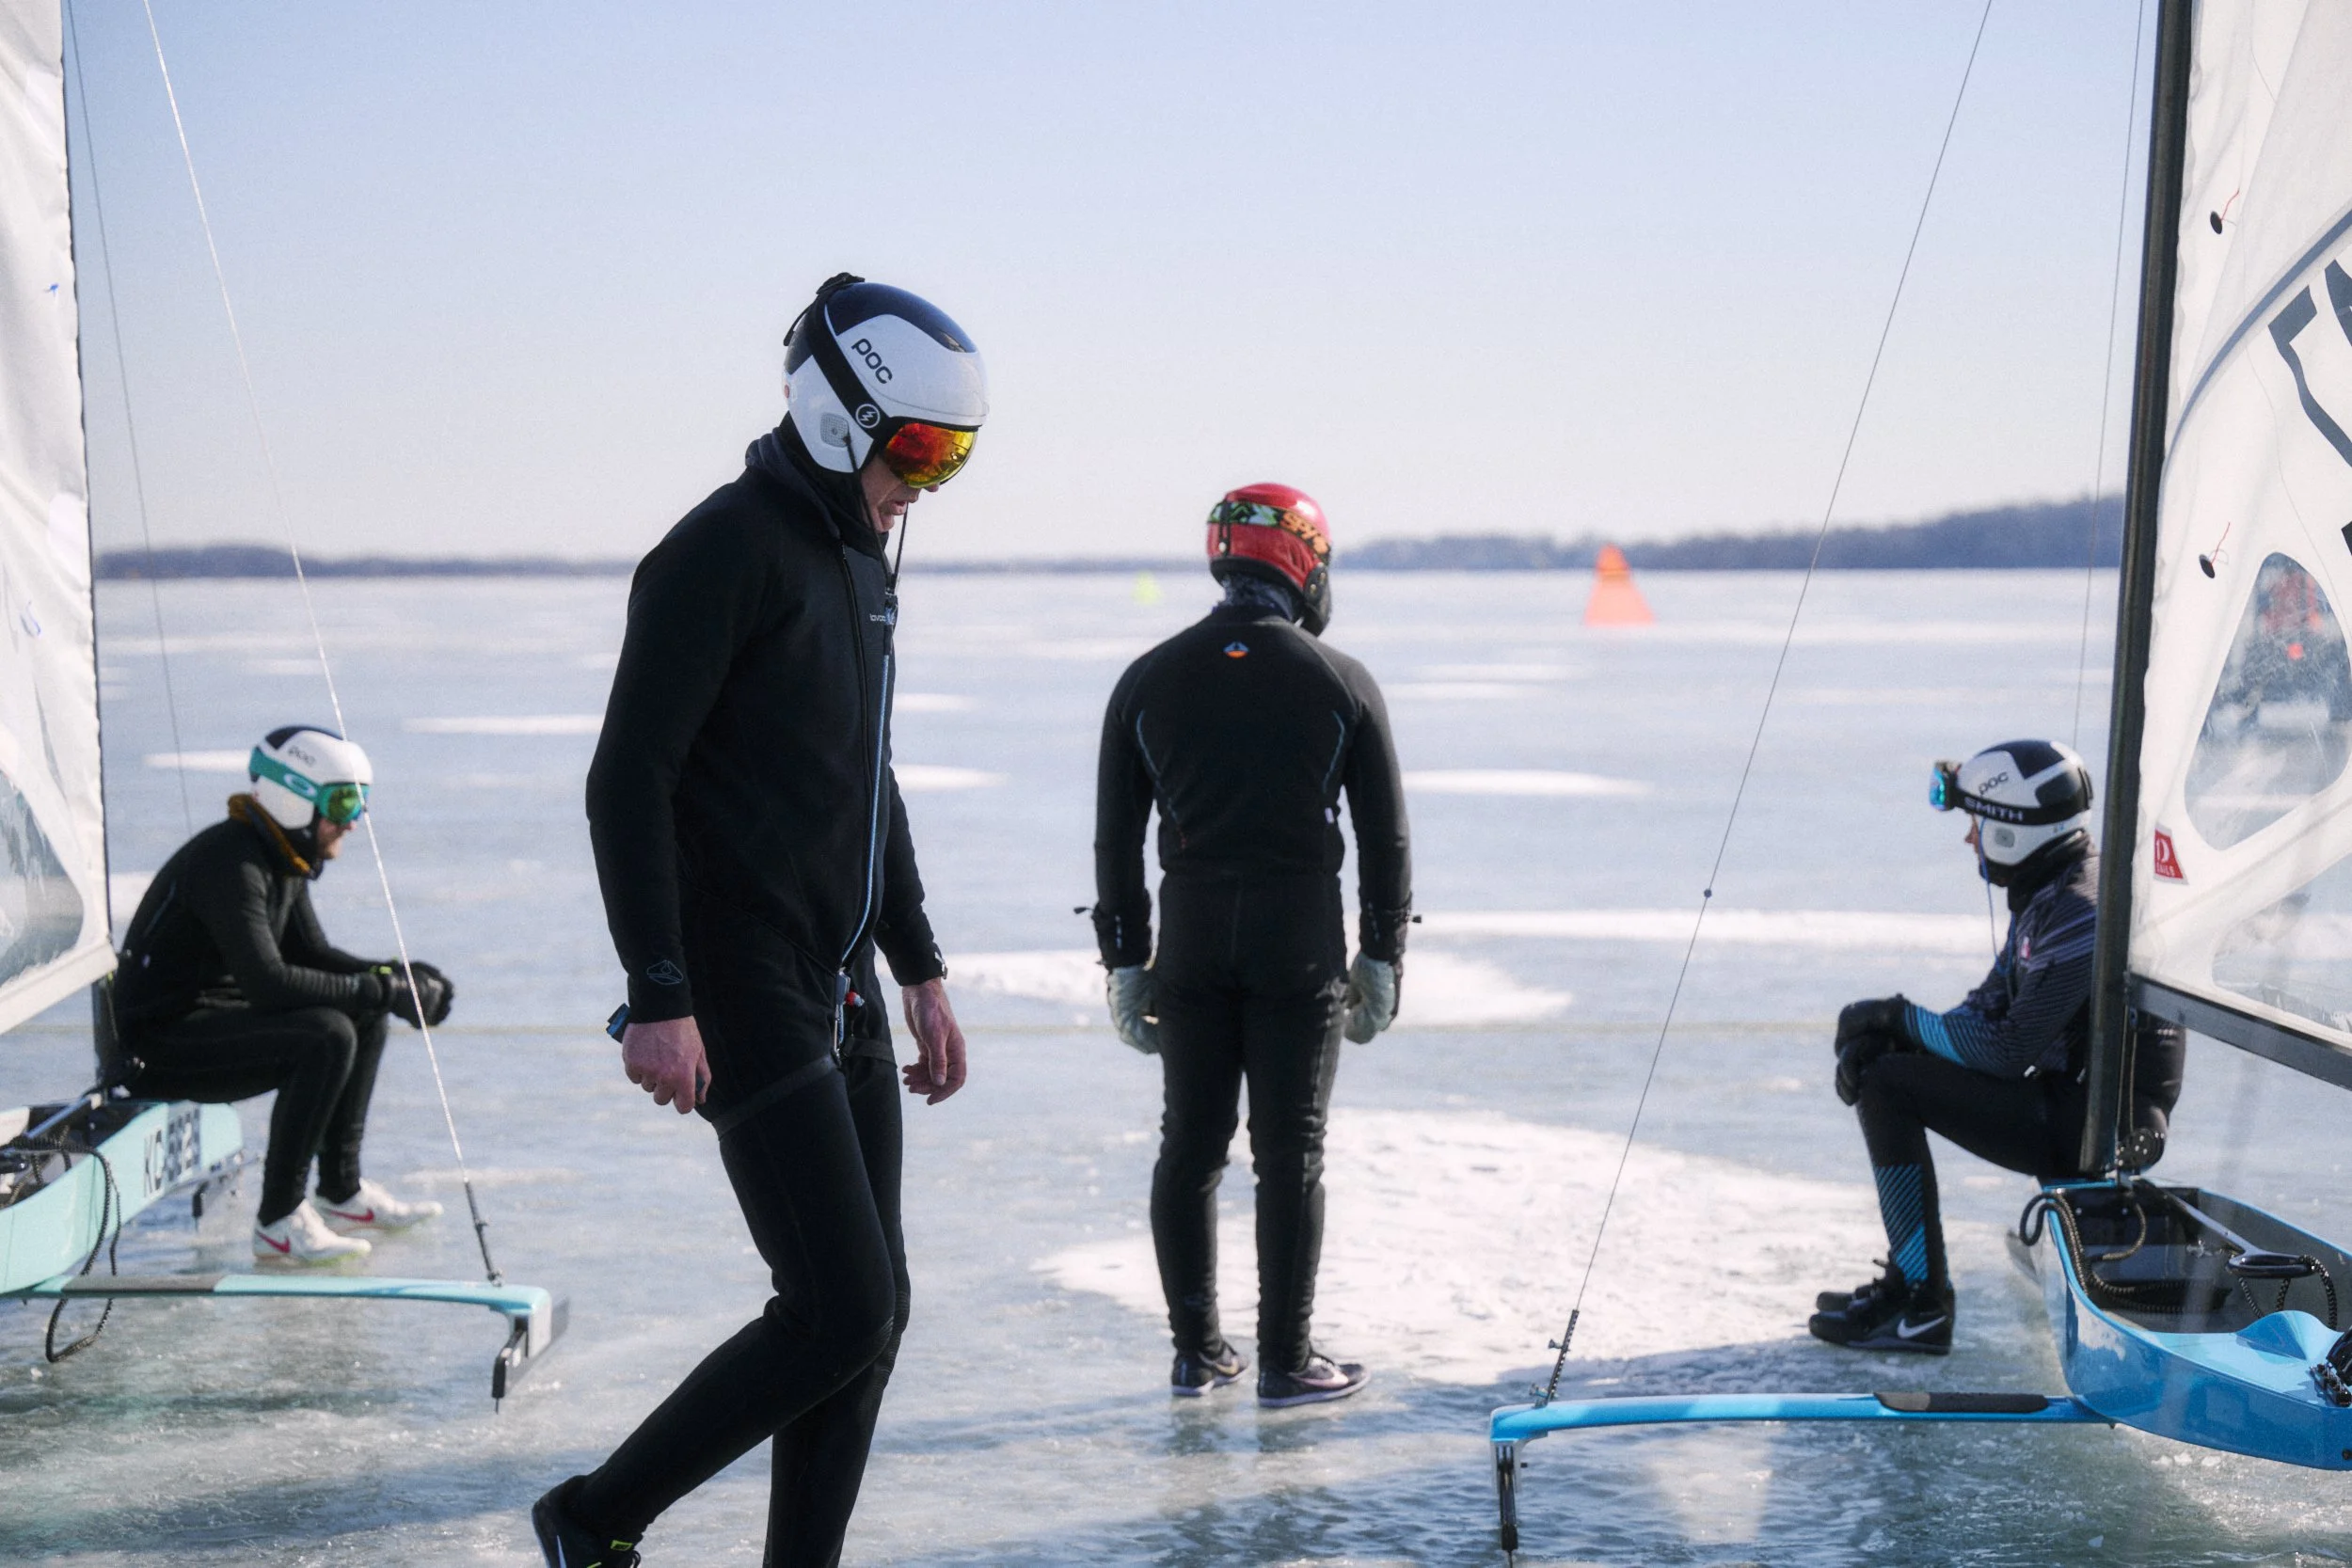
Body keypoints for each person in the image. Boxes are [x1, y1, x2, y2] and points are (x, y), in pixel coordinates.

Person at [535, 274, 981, 1568]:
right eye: (919, 450)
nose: (930, 483)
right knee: (839, 1303)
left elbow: (866, 773)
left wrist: (921, 965)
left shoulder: (858, 561)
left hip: (835, 976)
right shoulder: (722, 547)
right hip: (736, 979)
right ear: (839, 414)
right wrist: (660, 987)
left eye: (956, 458)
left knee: (874, 1309)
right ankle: (592, 1514)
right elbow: (628, 775)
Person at [1092, 483, 1411, 1408]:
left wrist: (1124, 959)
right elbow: (1385, 837)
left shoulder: (1148, 677)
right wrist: (1383, 953)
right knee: (1291, 1150)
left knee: (1188, 1145)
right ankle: (1285, 1357)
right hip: (1294, 940)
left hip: (1190, 938)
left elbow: (1115, 841)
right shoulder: (1340, 678)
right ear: (1305, 560)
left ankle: (1197, 1352)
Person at [1808, 739, 2185, 1354]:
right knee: (1889, 1069)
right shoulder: (2056, 890)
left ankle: (1923, 1304)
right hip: (2076, 1105)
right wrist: (1892, 1037)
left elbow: (2007, 1049)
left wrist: (1899, 1020)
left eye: (1978, 823)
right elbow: (1988, 1008)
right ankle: (1913, 1285)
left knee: (1887, 1086)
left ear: (2013, 831)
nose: (1970, 839)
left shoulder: (2082, 909)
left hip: (2100, 1130)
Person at [111, 726, 453, 1266]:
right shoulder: (233, 863)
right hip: (159, 1046)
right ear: (292, 796)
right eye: (343, 801)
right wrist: (381, 988)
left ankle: (341, 1193)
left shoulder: (278, 853)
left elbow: (312, 955)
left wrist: (398, 977)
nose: (353, 820)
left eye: (361, 803)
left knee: (362, 1015)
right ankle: (278, 1219)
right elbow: (268, 983)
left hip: (211, 1023)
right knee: (327, 1033)